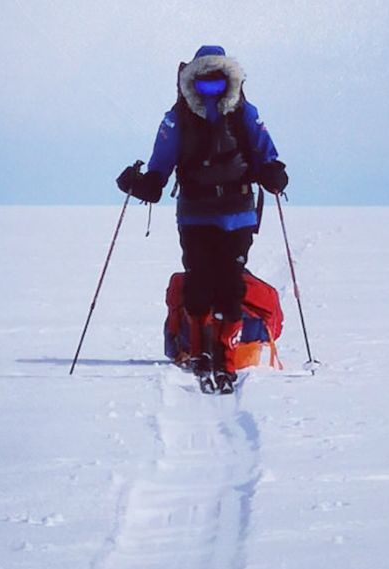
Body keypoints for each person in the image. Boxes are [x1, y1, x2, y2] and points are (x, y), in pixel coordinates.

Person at [117, 45, 289, 392]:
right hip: (204, 215)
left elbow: (264, 153)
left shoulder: (240, 113)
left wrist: (273, 171)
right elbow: (160, 168)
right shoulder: (181, 117)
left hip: (228, 215)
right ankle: (204, 354)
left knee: (226, 283)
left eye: (216, 83)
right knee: (203, 282)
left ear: (228, 80)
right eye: (204, 84)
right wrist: (143, 183)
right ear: (192, 81)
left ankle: (216, 357)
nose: (210, 90)